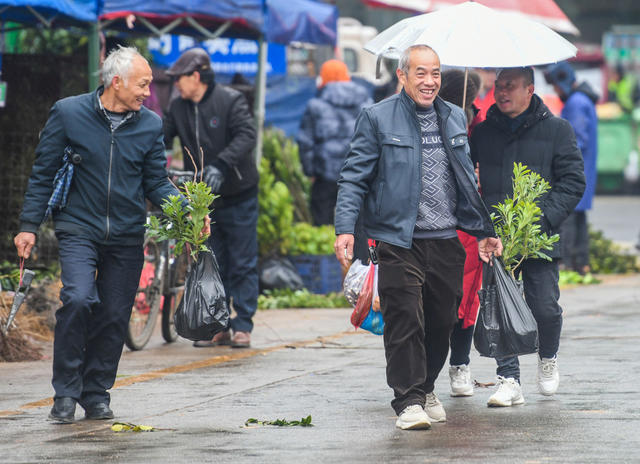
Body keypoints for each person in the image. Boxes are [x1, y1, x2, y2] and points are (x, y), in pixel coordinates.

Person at [14, 46, 191, 423]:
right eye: (142, 84)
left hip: (127, 232)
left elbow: (156, 182)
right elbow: (43, 173)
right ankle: (65, 392)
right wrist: (28, 226)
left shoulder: (150, 124)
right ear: (116, 82)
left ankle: (95, 391)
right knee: (78, 299)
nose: (148, 91)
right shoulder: (69, 113)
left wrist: (186, 212)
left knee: (113, 314)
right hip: (78, 226)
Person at [334, 45, 502, 430]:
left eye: (436, 74)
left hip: (445, 238)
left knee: (443, 320)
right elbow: (353, 177)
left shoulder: (455, 116)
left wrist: (484, 232)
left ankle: (426, 387)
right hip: (398, 239)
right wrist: (345, 227)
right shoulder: (377, 117)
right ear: (403, 76)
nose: (430, 82)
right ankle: (408, 400)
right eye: (421, 73)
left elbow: (465, 181)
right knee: (404, 318)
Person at [471, 67, 586, 407]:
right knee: (500, 309)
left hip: (539, 236)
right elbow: (466, 180)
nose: (501, 92)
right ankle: (509, 379)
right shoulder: (483, 134)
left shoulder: (557, 130)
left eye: (509, 86)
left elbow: (573, 182)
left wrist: (543, 219)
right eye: (497, 86)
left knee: (545, 308)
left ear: (530, 90)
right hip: (497, 237)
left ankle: (547, 356)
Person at [163, 48, 259, 349]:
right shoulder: (178, 107)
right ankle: (218, 325)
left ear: (195, 76)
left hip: (238, 192)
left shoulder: (230, 100)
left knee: (242, 261)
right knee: (211, 261)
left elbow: (247, 135)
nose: (176, 84)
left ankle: (242, 324)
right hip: (204, 200)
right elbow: (163, 139)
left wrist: (221, 164)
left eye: (179, 78)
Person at [437, 69, 484, 398]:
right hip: (437, 223)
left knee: (467, 301)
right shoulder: (429, 120)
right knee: (440, 302)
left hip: (468, 225)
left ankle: (460, 365)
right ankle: (428, 376)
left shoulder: (478, 126)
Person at [296, 59, 372, 226]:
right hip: (358, 174)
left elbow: (306, 143)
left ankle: (326, 252)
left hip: (325, 175)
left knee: (322, 222)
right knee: (358, 225)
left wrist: (310, 172)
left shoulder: (315, 105)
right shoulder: (366, 103)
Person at [545, 61, 599, 274]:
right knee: (579, 218)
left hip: (574, 170)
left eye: (556, 86)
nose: (555, 91)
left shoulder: (576, 103)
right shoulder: (584, 99)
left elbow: (576, 139)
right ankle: (581, 263)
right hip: (585, 168)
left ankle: (566, 264)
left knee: (567, 218)